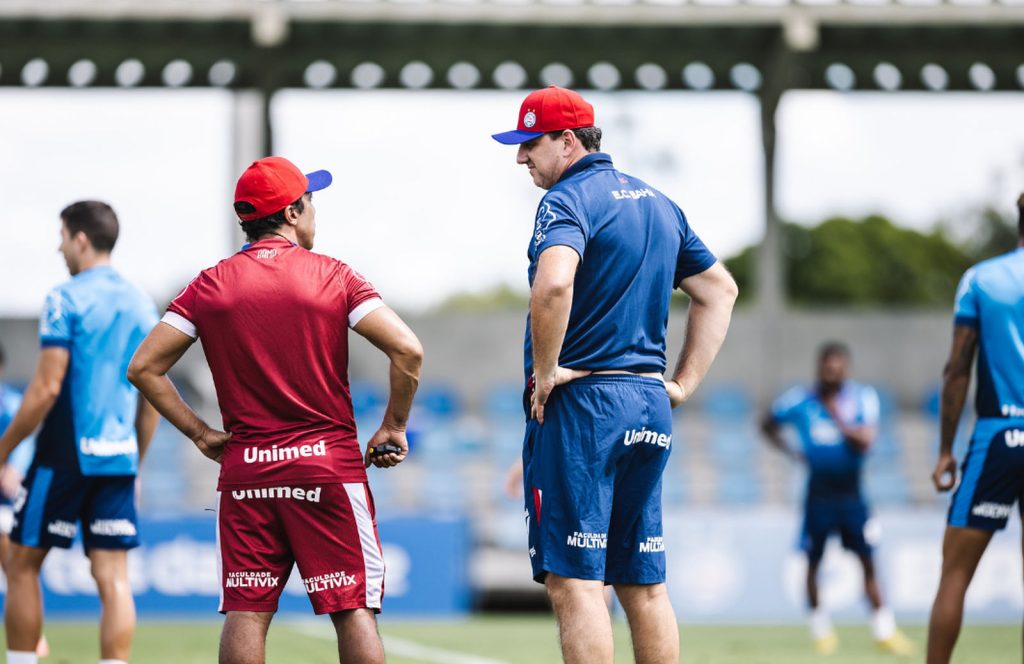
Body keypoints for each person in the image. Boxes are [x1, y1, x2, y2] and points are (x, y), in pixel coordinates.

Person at [127, 156, 423, 664]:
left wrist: (201, 434)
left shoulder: (210, 285)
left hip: (246, 473)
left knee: (247, 608)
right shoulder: (334, 276)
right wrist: (393, 426)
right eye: (310, 202)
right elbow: (408, 350)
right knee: (352, 608)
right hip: (326, 468)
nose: (314, 214)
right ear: (292, 211)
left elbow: (144, 367)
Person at [492, 86, 738, 664]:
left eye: (530, 143)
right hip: (648, 404)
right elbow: (719, 290)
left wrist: (546, 371)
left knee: (576, 580)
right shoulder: (660, 202)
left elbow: (553, 283)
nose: (521, 157)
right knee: (643, 582)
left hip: (585, 405)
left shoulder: (566, 201)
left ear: (568, 141)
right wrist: (682, 384)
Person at [0, 201, 160, 664]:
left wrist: (4, 449)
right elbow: (150, 397)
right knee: (113, 577)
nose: (59, 246)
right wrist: (137, 464)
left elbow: (47, 387)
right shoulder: (141, 304)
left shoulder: (64, 298)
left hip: (65, 453)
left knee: (23, 562)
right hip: (118, 457)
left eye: (63, 236)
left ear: (81, 239)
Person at [761, 342, 914, 656]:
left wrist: (836, 418)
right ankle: (821, 631)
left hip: (852, 493)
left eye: (837, 366)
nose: (832, 371)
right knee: (813, 560)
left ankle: (884, 630)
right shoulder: (800, 399)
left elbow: (866, 441)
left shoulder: (861, 397)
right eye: (826, 366)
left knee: (867, 559)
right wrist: (792, 452)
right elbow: (767, 422)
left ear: (845, 368)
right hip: (818, 493)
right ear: (819, 367)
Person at [927, 194, 1024, 664]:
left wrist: (946, 449)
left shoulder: (982, 279)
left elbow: (957, 370)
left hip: (1001, 435)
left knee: (955, 574)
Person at [0, 342, 50, 659]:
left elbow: (27, 443)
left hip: (5, 504)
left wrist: (13, 467)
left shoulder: (11, 403)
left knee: (16, 566)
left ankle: (31, 637)